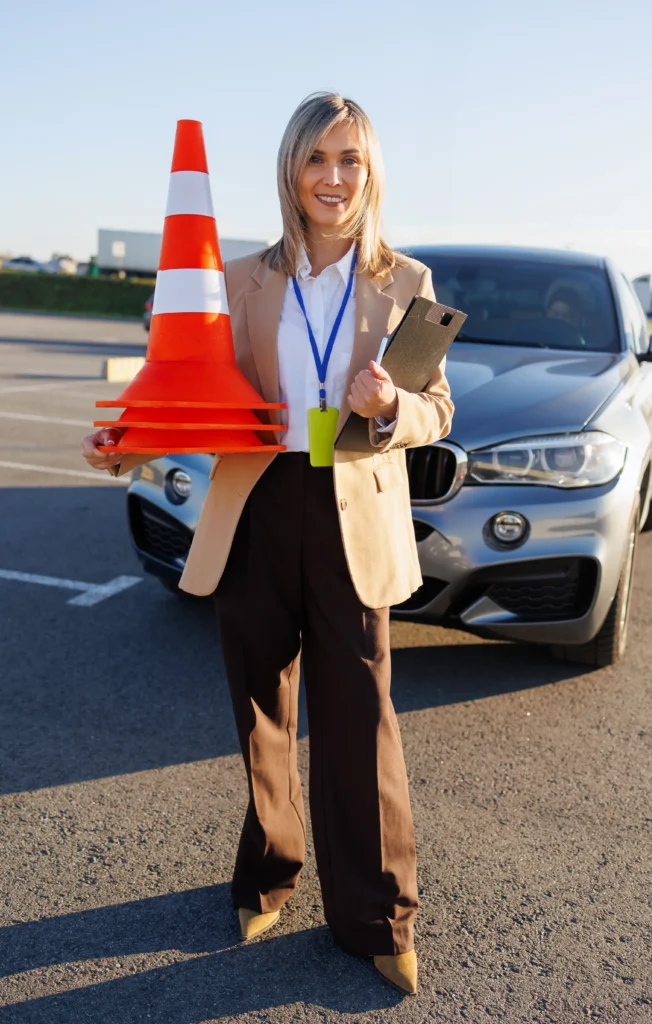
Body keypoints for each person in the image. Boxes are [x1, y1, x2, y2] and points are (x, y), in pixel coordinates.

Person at [81, 92, 453, 996]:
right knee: (260, 710)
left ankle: (377, 914)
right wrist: (125, 441)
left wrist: (390, 407)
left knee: (360, 717)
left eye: (350, 160)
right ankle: (270, 871)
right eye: (316, 158)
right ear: (291, 170)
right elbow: (189, 393)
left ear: (371, 173)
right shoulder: (236, 279)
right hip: (257, 504)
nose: (333, 178)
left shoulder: (405, 280)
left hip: (350, 508)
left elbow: (437, 406)